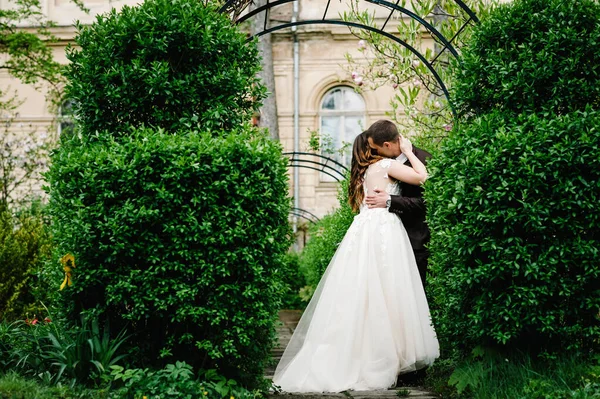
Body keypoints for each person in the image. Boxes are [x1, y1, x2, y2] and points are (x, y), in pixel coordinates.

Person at [272, 132, 439, 393]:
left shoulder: (361, 174)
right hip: (384, 231)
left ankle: (361, 355)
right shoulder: (385, 165)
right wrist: (407, 151)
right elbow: (424, 178)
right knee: (389, 293)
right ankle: (387, 357)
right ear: (373, 148)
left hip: (363, 233)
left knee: (363, 294)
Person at [365, 120, 432, 287]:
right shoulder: (384, 165)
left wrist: (390, 200)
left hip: (415, 241)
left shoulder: (424, 159)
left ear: (387, 145)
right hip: (390, 240)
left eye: (376, 148)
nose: (375, 152)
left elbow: (430, 200)